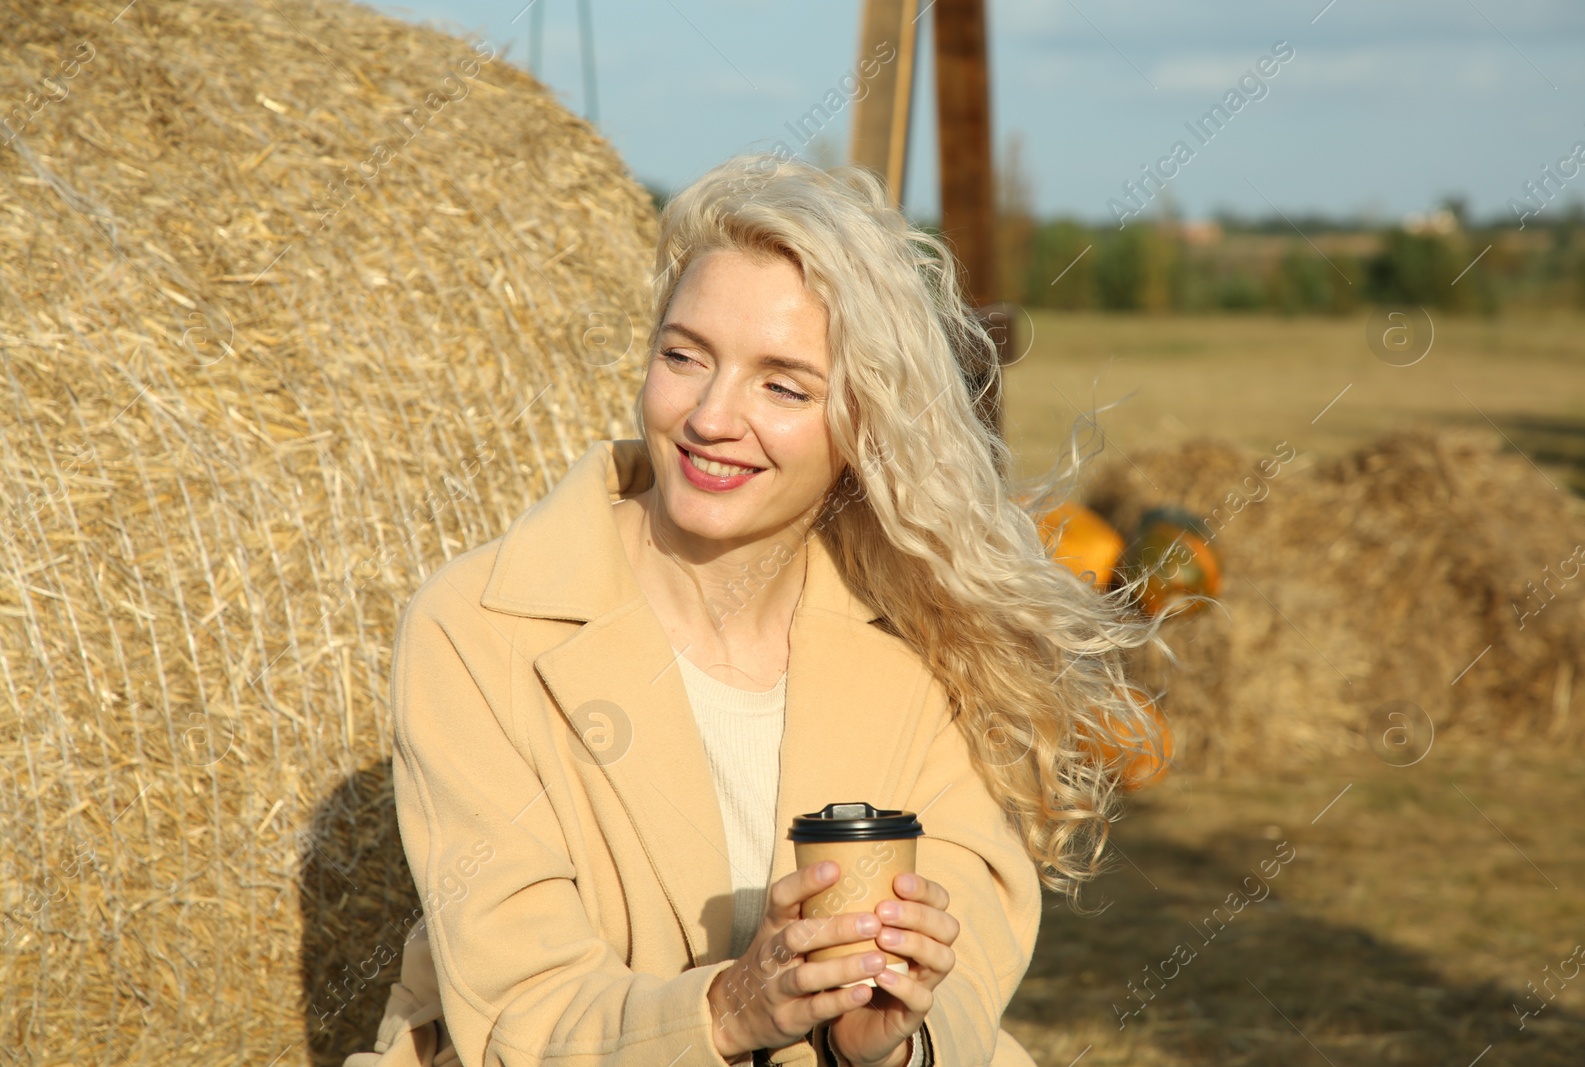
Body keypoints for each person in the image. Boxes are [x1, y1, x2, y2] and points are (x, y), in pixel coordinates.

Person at [342, 153, 1164, 1067]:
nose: (709, 415)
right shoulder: (479, 627)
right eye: (684, 356)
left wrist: (886, 1044)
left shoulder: (937, 639)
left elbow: (964, 973)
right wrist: (730, 1011)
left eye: (782, 384)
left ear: (863, 426)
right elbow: (519, 1009)